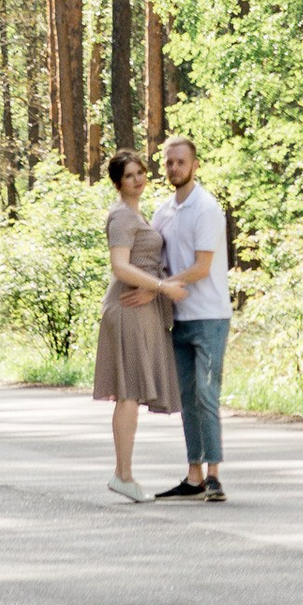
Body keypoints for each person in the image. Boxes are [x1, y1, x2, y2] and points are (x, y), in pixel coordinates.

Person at [91, 148, 180, 502]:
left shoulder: (136, 214)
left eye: (141, 173)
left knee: (131, 393)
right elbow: (120, 266)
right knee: (128, 392)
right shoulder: (122, 218)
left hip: (140, 307)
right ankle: (122, 474)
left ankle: (124, 473)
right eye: (130, 176)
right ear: (117, 182)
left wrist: (153, 289)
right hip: (126, 309)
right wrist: (158, 287)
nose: (138, 180)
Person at [156, 134, 231, 505]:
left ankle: (214, 474)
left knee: (205, 393)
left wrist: (161, 284)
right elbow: (153, 258)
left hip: (211, 315)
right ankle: (194, 474)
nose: (174, 168)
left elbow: (202, 267)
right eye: (169, 162)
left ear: (195, 165)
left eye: (181, 162)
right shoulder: (163, 212)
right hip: (179, 318)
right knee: (187, 396)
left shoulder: (207, 208)